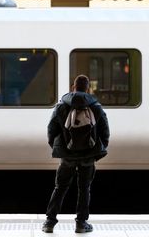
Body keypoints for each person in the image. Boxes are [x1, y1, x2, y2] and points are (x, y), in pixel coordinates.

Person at [42, 75, 110, 233]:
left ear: (73, 87)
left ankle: (49, 223)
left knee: (60, 188)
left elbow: (51, 130)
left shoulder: (61, 107)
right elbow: (105, 131)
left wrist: (59, 148)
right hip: (88, 156)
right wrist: (97, 150)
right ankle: (81, 223)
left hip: (67, 156)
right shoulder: (96, 107)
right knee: (84, 189)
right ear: (87, 88)